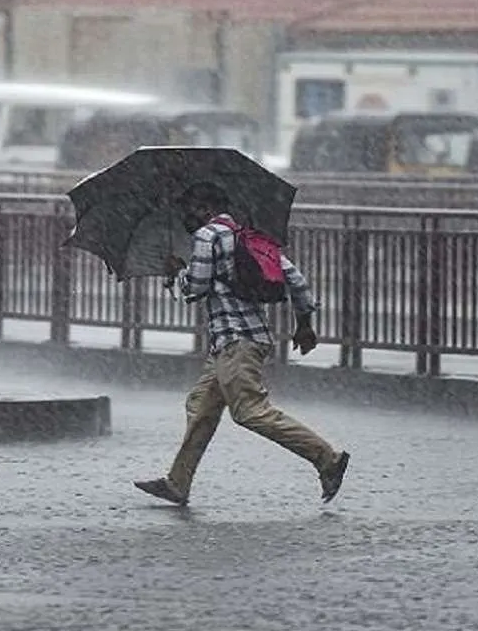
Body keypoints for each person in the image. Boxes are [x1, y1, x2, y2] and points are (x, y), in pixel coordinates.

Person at [134, 182, 350, 506]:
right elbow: (297, 281)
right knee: (201, 405)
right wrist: (304, 324)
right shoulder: (247, 236)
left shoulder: (208, 236)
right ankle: (177, 483)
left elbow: (194, 288)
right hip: (244, 340)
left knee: (250, 412)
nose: (184, 217)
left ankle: (327, 459)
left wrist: (174, 274)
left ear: (204, 207)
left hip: (235, 342)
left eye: (188, 209)